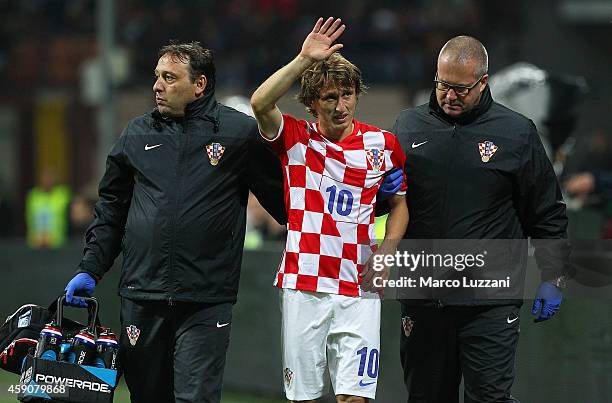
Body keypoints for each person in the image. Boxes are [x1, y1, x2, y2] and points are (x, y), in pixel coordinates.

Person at [63, 41, 286, 403]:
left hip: (205, 299)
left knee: (195, 398)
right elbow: (111, 210)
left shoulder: (238, 134)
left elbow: (285, 202)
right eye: (156, 77)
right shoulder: (136, 135)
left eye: (169, 77)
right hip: (141, 295)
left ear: (199, 84)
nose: (157, 85)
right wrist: (91, 267)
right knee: (148, 396)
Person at [378, 36, 570, 402]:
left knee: (489, 398)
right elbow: (387, 204)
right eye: (442, 85)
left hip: (491, 302)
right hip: (424, 298)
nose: (449, 95)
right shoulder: (407, 126)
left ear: (483, 82)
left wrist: (554, 277)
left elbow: (547, 213)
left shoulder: (516, 133)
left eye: (460, 89)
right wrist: (380, 193)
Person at [250, 17, 409, 403]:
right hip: (305, 283)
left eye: (348, 95)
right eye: (330, 98)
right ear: (311, 103)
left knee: (356, 396)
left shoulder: (383, 144)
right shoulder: (294, 138)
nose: (342, 106)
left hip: (360, 285)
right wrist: (304, 58)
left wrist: (386, 254)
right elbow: (259, 102)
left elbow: (401, 207)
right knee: (303, 397)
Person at [25, 168, 71, 248]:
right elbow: (29, 218)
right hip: (36, 242)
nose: (47, 180)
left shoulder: (63, 194)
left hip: (58, 242)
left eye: (50, 178)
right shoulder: (33, 195)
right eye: (45, 178)